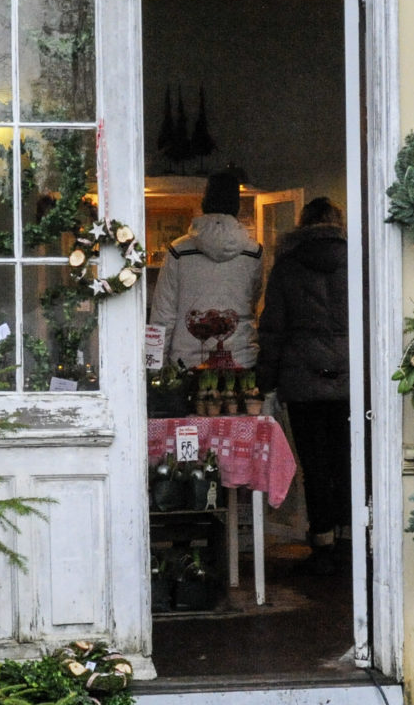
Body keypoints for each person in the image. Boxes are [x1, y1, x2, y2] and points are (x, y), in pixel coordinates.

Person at [257, 197, 352, 575]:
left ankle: (323, 542)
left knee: (314, 465)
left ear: (302, 223)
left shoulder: (287, 266)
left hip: (302, 381)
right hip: (348, 380)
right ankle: (348, 540)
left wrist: (265, 382)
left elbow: (273, 330)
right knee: (347, 461)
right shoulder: (356, 262)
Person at [149, 168, 262, 368]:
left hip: (187, 363)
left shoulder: (178, 250)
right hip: (240, 359)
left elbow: (163, 314)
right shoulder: (254, 252)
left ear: (205, 200)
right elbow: (254, 301)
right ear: (237, 204)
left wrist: (155, 367)